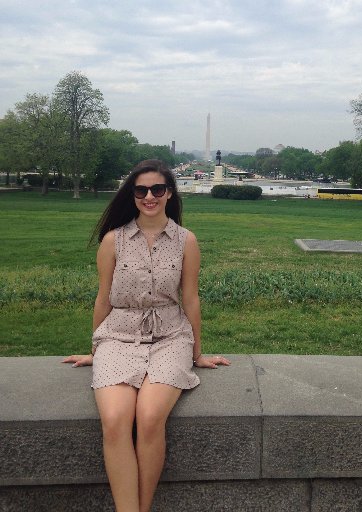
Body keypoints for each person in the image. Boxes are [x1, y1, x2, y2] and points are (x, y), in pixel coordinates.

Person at [62, 159, 230, 512]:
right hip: (119, 337)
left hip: (171, 336)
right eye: (141, 190)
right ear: (133, 194)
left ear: (169, 193)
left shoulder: (187, 241)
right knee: (114, 420)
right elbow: (103, 297)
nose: (149, 196)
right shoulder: (113, 240)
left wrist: (198, 353)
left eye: (157, 189)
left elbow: (191, 299)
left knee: (151, 417)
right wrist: (96, 346)